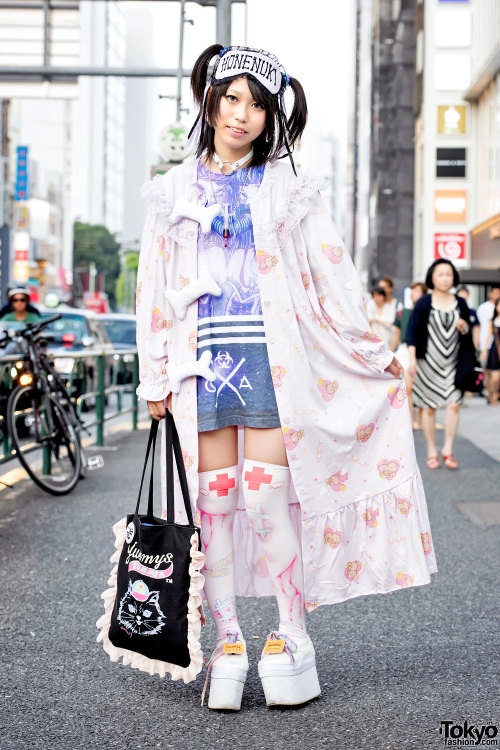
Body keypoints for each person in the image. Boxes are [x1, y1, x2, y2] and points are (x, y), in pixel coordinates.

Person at [136, 43, 437, 711]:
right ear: (210, 100)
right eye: (232, 98)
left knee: (266, 495)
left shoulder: (287, 188)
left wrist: (369, 345)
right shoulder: (172, 189)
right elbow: (153, 288)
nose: (241, 115)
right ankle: (230, 643)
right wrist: (152, 373)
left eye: (258, 106)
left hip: (273, 365)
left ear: (272, 119)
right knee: (212, 507)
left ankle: (292, 635)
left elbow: (329, 271)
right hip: (200, 372)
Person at [407, 260, 472, 470]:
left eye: (448, 274)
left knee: (454, 404)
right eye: (440, 274)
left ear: (454, 278)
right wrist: (412, 361)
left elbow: (467, 332)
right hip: (427, 364)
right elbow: (412, 332)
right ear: (432, 278)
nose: (445, 278)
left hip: (453, 363)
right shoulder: (424, 302)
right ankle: (432, 450)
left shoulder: (460, 304)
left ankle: (448, 449)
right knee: (428, 408)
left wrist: (464, 327)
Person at [390, 281, 427, 428]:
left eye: (417, 291)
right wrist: (389, 353)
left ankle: (423, 420)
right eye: (412, 291)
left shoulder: (427, 313)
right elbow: (396, 335)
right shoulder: (402, 313)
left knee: (423, 389)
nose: (413, 294)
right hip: (405, 351)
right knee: (408, 387)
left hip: (423, 352)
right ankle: (411, 420)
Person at [477, 285, 500, 397]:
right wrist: (483, 348)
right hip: (491, 346)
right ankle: (490, 392)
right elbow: (482, 329)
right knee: (487, 370)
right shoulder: (484, 308)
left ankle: (495, 393)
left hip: (495, 347)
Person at [456, 285, 479, 350]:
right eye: (461, 292)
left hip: (468, 345)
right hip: (454, 344)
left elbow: (476, 328)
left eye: (465, 293)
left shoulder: (472, 312)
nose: (463, 295)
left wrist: (476, 345)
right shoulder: (453, 311)